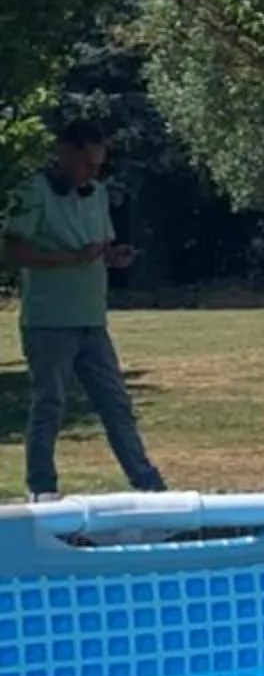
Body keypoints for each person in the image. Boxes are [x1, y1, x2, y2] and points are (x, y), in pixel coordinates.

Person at [4, 118, 167, 502]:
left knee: (116, 404)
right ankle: (41, 488)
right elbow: (11, 253)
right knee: (50, 405)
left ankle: (147, 483)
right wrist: (71, 258)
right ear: (63, 154)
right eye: (86, 164)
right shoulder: (33, 193)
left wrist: (112, 257)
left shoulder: (97, 194)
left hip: (92, 321)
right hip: (49, 322)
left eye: (98, 165)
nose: (92, 173)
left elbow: (98, 248)